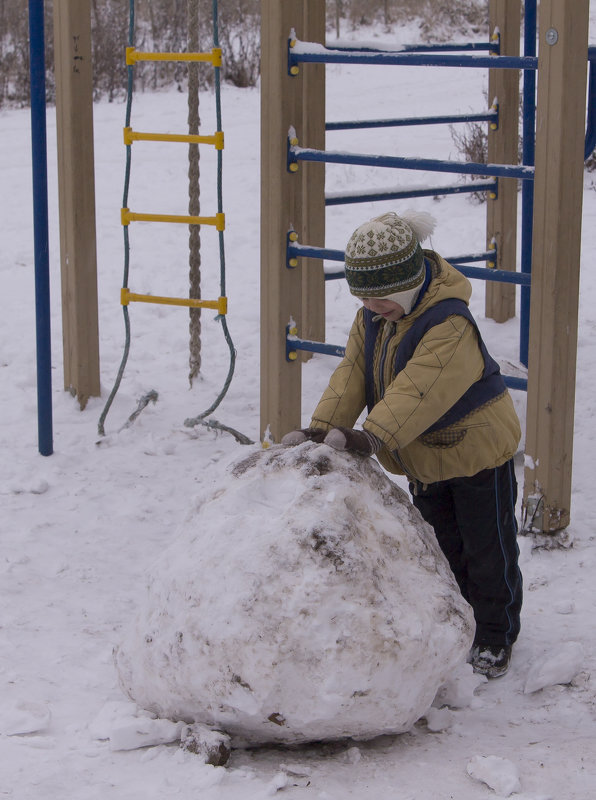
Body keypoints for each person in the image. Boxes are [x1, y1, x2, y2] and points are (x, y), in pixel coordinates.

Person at [282, 210, 523, 679]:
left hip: (476, 452)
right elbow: (351, 374)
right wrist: (325, 430)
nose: (374, 306)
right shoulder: (373, 319)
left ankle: (496, 634)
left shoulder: (449, 324)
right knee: (439, 546)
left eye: (383, 296)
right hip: (422, 455)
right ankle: (457, 624)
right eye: (364, 297)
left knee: (487, 548)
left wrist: (370, 437)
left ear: (409, 282)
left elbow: (419, 390)